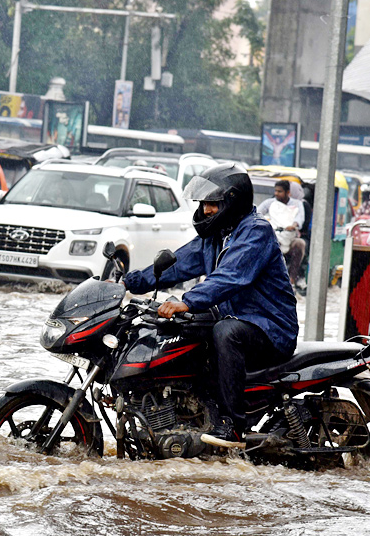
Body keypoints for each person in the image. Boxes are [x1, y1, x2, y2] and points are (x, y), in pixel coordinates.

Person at [122, 163, 299, 447]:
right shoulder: (215, 237)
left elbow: (230, 276)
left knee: (225, 332)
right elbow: (177, 264)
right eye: (203, 204)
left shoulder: (256, 232)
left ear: (232, 201)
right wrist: (128, 283)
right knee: (178, 330)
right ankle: (192, 410)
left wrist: (186, 301)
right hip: (233, 317)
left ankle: (233, 427)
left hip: (270, 328)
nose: (205, 210)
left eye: (212, 204)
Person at [256, 179, 307, 290]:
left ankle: (291, 279)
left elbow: (300, 219)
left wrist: (293, 225)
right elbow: (258, 213)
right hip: (275, 236)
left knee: (300, 244)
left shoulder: (297, 204)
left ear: (288, 192)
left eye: (280, 191)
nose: (276, 194)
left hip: (290, 238)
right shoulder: (270, 203)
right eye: (276, 191)